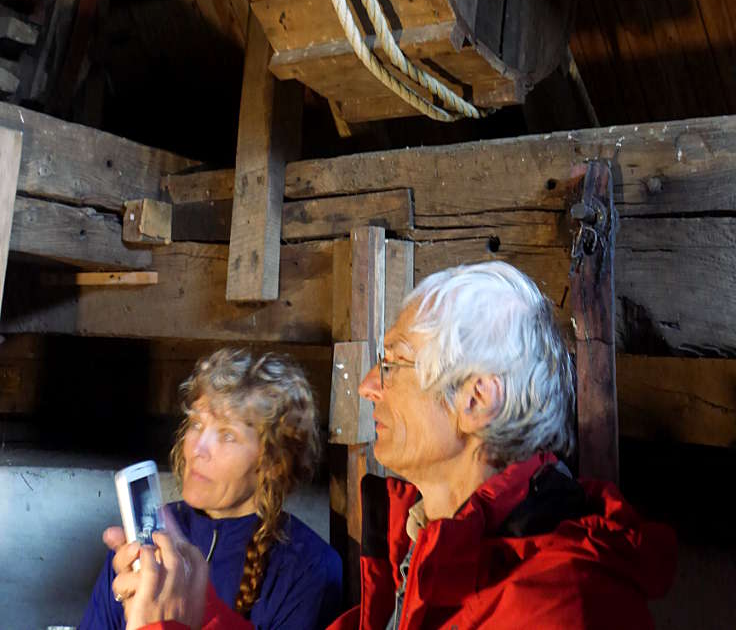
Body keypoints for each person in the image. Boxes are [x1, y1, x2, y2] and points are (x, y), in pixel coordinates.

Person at [106, 261, 677, 630]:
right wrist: (196, 610)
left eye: (394, 362)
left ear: (476, 399)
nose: (370, 384)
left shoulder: (556, 607)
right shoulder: (418, 551)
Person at [80, 348, 342, 630]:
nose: (198, 448)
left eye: (227, 435)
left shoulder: (309, 567)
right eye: (196, 424)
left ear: (274, 462)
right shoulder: (145, 540)